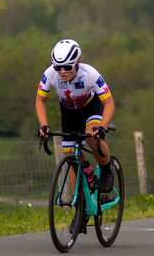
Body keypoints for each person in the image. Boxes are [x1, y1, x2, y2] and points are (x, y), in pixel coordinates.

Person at [36, 38, 115, 193]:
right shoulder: (50, 74)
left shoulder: (90, 74)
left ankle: (106, 170)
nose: (62, 72)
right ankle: (79, 206)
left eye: (67, 67)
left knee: (92, 138)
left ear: (77, 63)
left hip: (90, 107)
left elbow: (109, 104)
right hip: (68, 111)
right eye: (58, 67)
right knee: (72, 160)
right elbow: (40, 101)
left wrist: (102, 128)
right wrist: (43, 125)